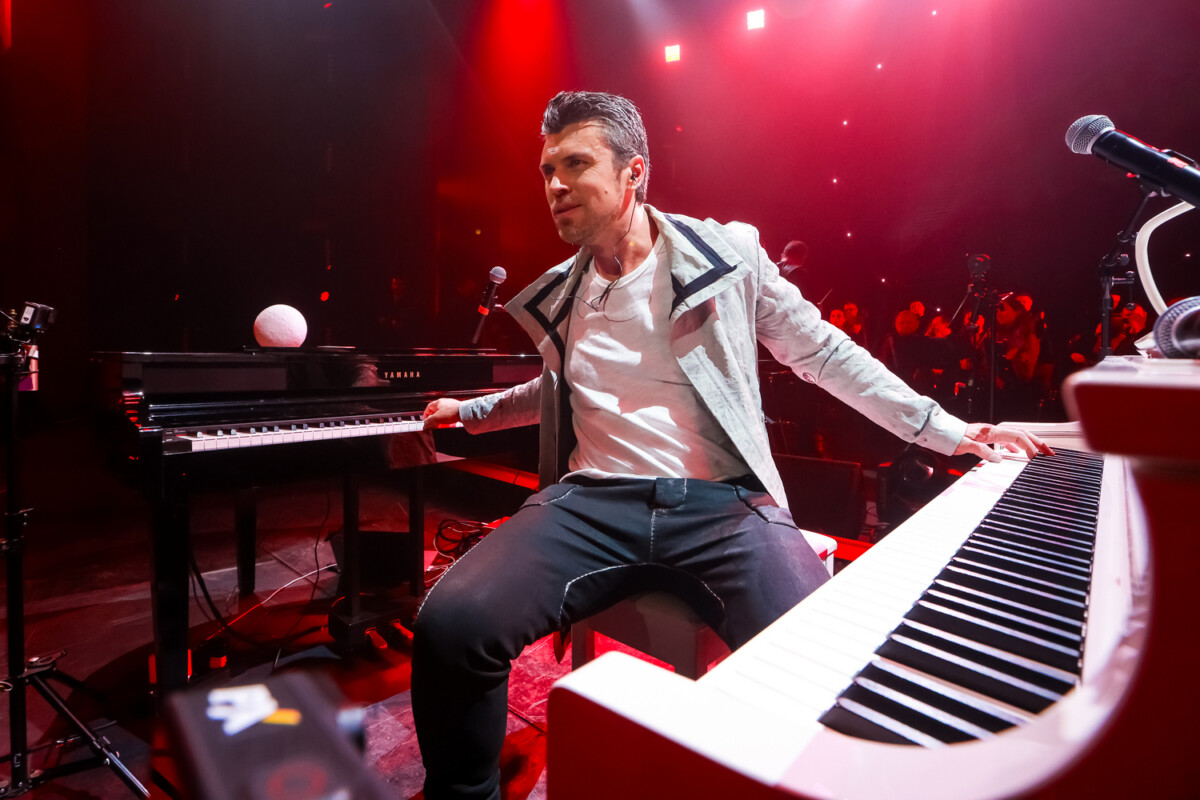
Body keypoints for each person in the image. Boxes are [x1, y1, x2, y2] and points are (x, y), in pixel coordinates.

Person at [413, 90, 1050, 800]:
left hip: (722, 506)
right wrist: (470, 412)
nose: (554, 185)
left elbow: (824, 353)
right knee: (452, 625)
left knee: (825, 673)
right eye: (547, 170)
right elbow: (555, 388)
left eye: (576, 164)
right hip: (591, 504)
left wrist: (952, 431)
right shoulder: (562, 292)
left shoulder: (726, 253)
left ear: (634, 171)